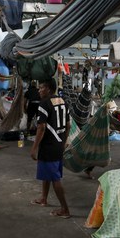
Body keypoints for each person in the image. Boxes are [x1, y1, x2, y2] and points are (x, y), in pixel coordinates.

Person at [30, 78, 70, 218]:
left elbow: (41, 127)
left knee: (55, 178)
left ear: (48, 89)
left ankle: (65, 209)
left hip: (49, 146)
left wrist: (34, 148)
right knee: (48, 173)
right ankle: (44, 198)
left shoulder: (44, 104)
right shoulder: (62, 101)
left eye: (41, 87)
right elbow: (68, 124)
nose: (39, 90)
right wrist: (64, 141)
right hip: (58, 145)